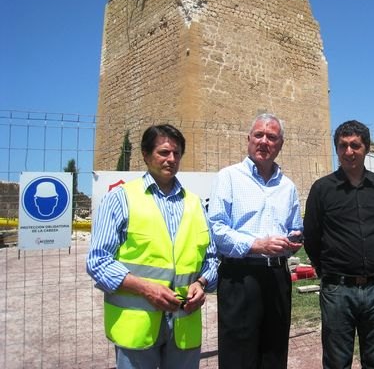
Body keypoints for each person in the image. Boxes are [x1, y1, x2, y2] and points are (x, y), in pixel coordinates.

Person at [86, 124, 217, 369]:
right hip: (137, 328)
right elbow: (98, 261)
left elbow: (211, 259)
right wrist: (146, 289)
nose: (171, 159)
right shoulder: (121, 199)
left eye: (177, 154)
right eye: (164, 152)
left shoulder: (195, 204)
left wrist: (202, 283)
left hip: (184, 327)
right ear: (146, 156)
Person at [208, 113, 303, 369]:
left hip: (277, 278)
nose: (264, 141)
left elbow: (295, 228)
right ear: (248, 140)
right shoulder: (228, 177)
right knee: (238, 356)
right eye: (258, 135)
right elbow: (216, 229)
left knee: (274, 354)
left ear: (280, 144)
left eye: (271, 137)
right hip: (240, 277)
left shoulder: (288, 187)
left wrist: (294, 242)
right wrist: (257, 245)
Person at [304, 120, 374, 369]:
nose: (349, 152)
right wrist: (326, 272)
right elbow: (311, 237)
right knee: (337, 361)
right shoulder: (322, 189)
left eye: (355, 145)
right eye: (342, 145)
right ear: (336, 148)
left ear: (365, 148)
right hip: (337, 290)